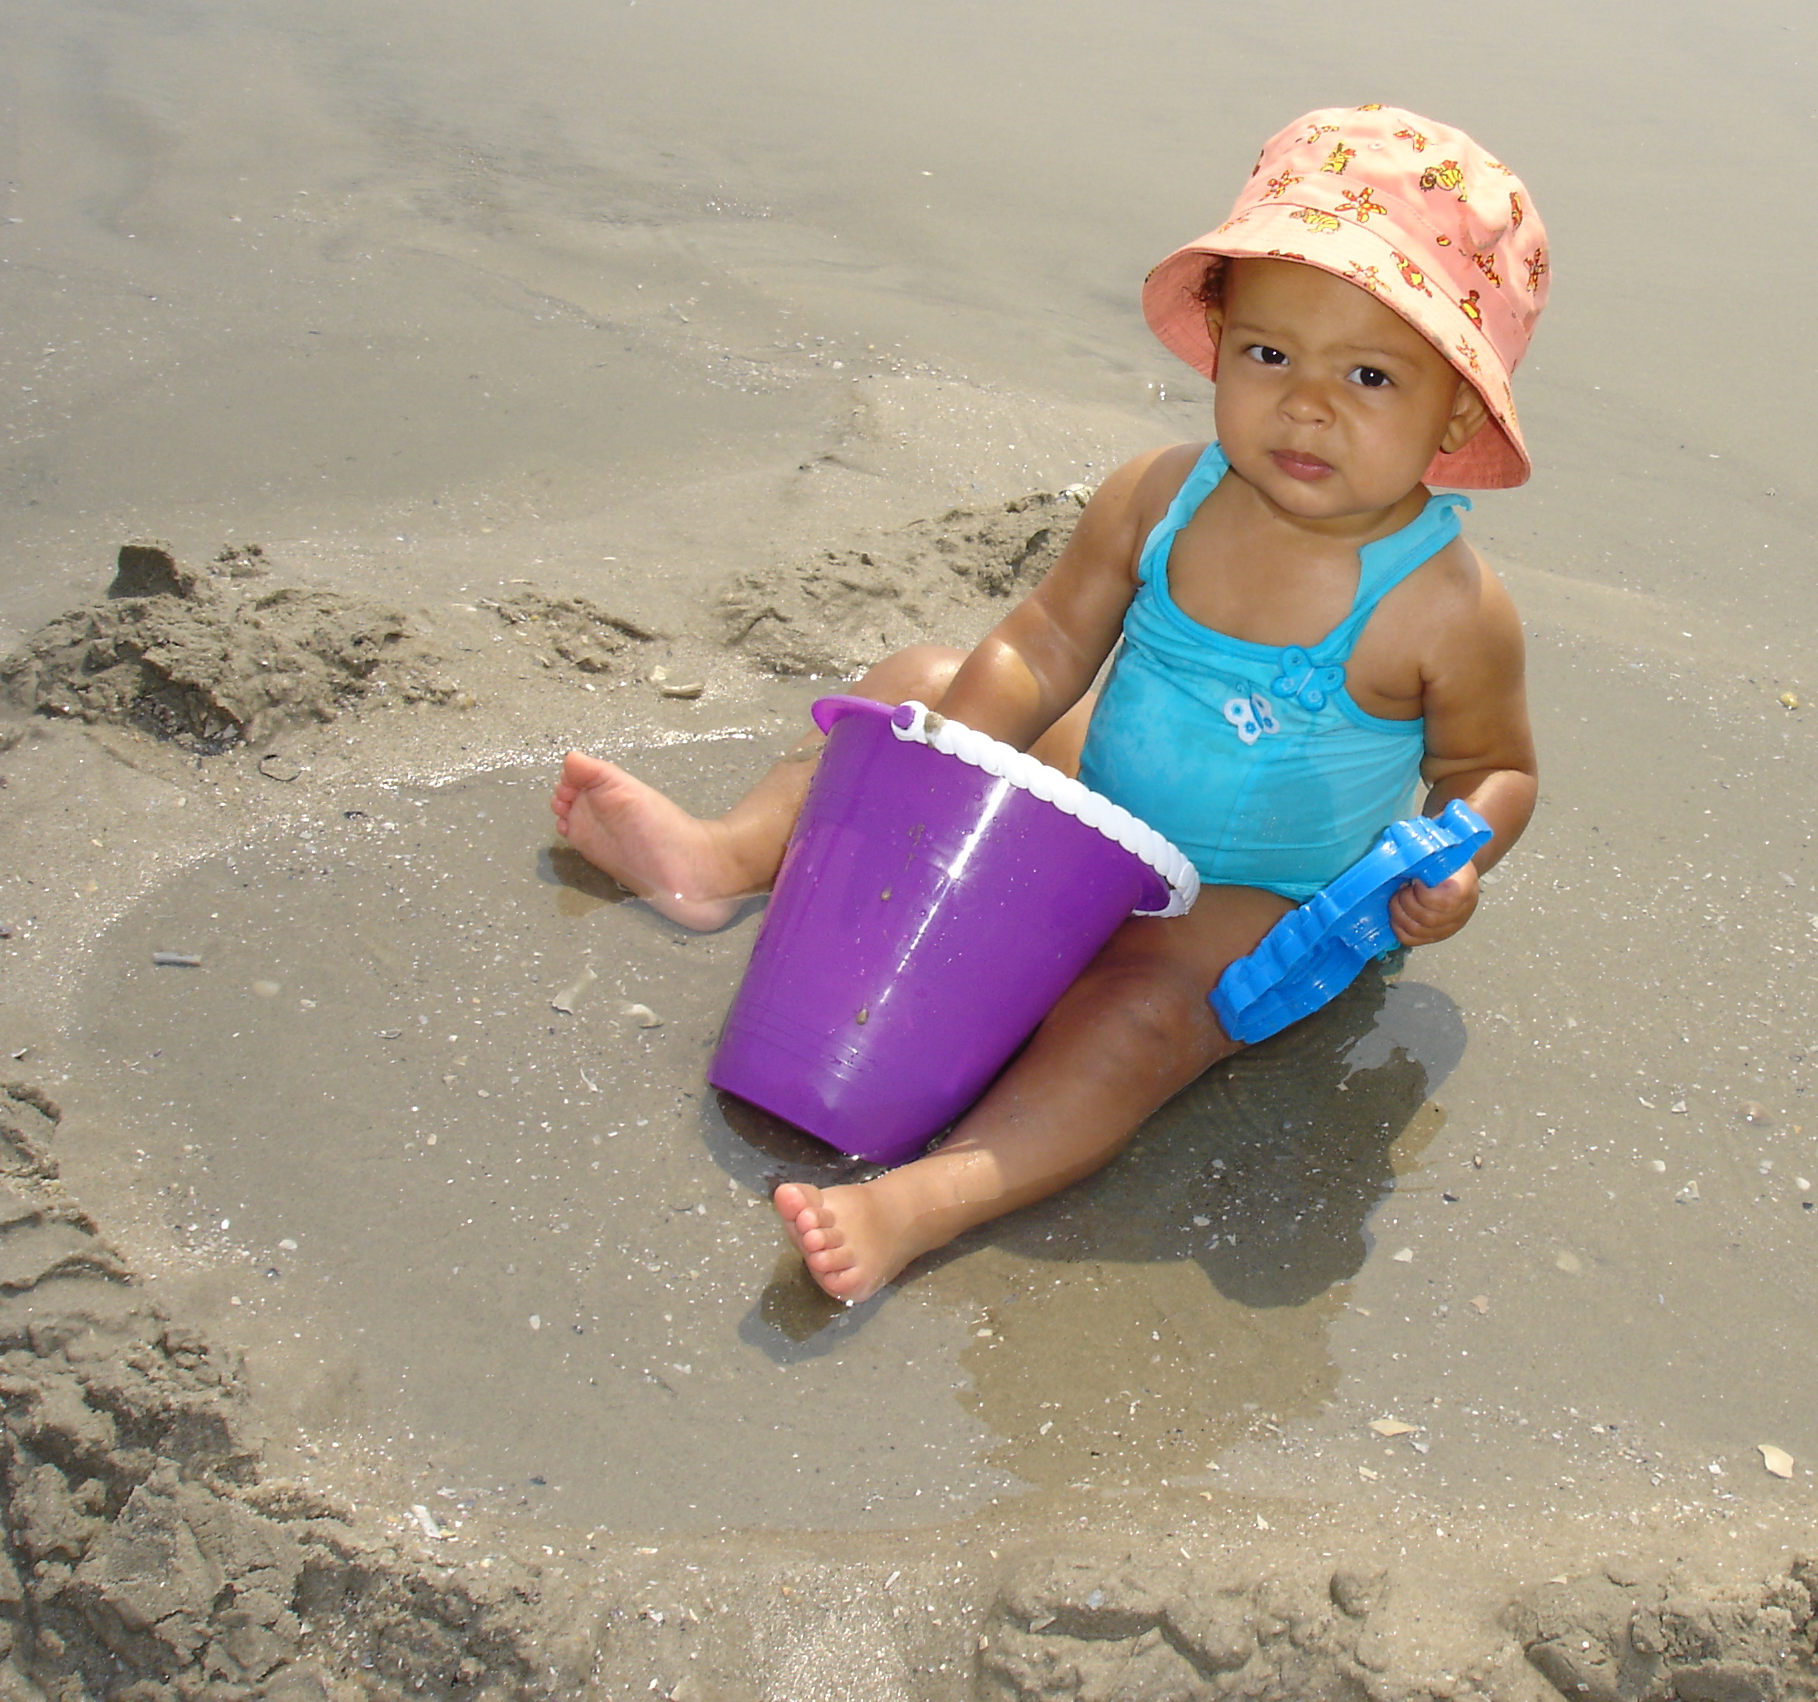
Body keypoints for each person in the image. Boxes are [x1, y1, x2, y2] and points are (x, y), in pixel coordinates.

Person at [549, 105, 1549, 1303]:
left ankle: (931, 1196)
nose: (1304, 405)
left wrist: (1452, 862)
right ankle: (723, 859)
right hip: (1106, 798)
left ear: (1455, 412)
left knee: (1136, 1021)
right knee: (920, 686)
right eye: (1269, 356)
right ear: (1219, 340)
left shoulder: (1442, 606)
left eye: (1369, 376)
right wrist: (951, 762)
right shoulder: (1162, 496)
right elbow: (1048, 642)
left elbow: (1493, 768)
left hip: (1253, 895)